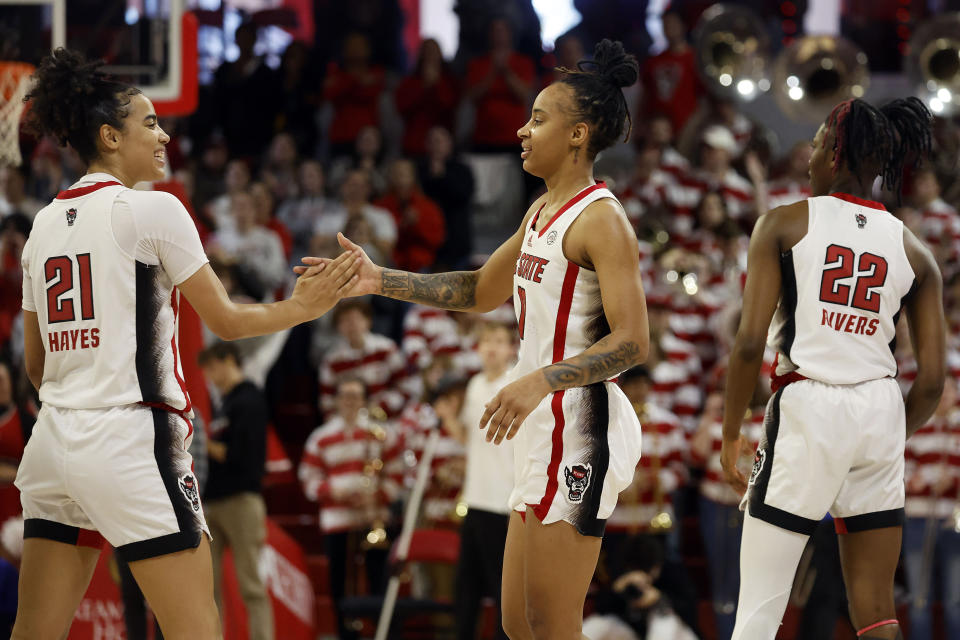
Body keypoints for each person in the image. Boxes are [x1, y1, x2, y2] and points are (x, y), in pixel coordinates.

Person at [301, 39, 649, 640]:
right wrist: (379, 278)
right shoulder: (542, 210)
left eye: (538, 118)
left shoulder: (602, 218)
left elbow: (634, 342)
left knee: (552, 621)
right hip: (543, 419)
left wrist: (540, 379)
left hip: (581, 417)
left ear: (578, 134)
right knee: (516, 623)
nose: (521, 130)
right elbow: (478, 290)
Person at [13, 48, 360, 640]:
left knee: (35, 630)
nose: (164, 134)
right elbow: (224, 321)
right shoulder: (154, 210)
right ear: (109, 136)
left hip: (51, 446)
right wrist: (303, 308)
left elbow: (34, 364)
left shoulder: (42, 224)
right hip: (128, 438)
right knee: (197, 628)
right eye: (149, 122)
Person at [721, 96, 946, 640]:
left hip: (809, 405)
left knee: (758, 610)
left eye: (818, 143)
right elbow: (934, 382)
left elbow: (750, 343)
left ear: (835, 153)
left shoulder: (782, 222)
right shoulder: (915, 250)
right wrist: (888, 431)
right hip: (880, 408)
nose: (809, 157)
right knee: (876, 610)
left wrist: (731, 435)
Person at [443, 321, 517, 640]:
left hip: (504, 502)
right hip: (474, 498)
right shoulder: (474, 385)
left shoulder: (516, 383)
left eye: (499, 340)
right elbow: (467, 438)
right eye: (486, 340)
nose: (491, 347)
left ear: (512, 348)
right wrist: (447, 417)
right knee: (466, 587)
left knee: (502, 587)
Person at [198, 342, 273, 639]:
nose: (209, 375)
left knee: (251, 585)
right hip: (214, 501)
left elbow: (243, 455)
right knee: (208, 590)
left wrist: (202, 442)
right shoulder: (225, 404)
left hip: (242, 500)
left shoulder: (250, 399)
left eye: (212, 367)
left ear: (229, 360)